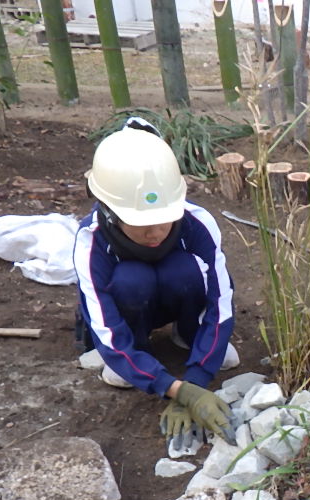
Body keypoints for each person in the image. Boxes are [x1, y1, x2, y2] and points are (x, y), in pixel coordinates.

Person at [73, 117, 237, 445]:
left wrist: (199, 375)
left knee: (185, 270)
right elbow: (103, 326)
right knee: (131, 280)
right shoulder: (90, 243)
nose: (155, 231)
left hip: (176, 292)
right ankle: (138, 354)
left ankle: (188, 336)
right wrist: (176, 390)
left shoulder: (198, 224)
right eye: (140, 223)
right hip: (131, 307)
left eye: (164, 218)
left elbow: (221, 305)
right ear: (109, 212)